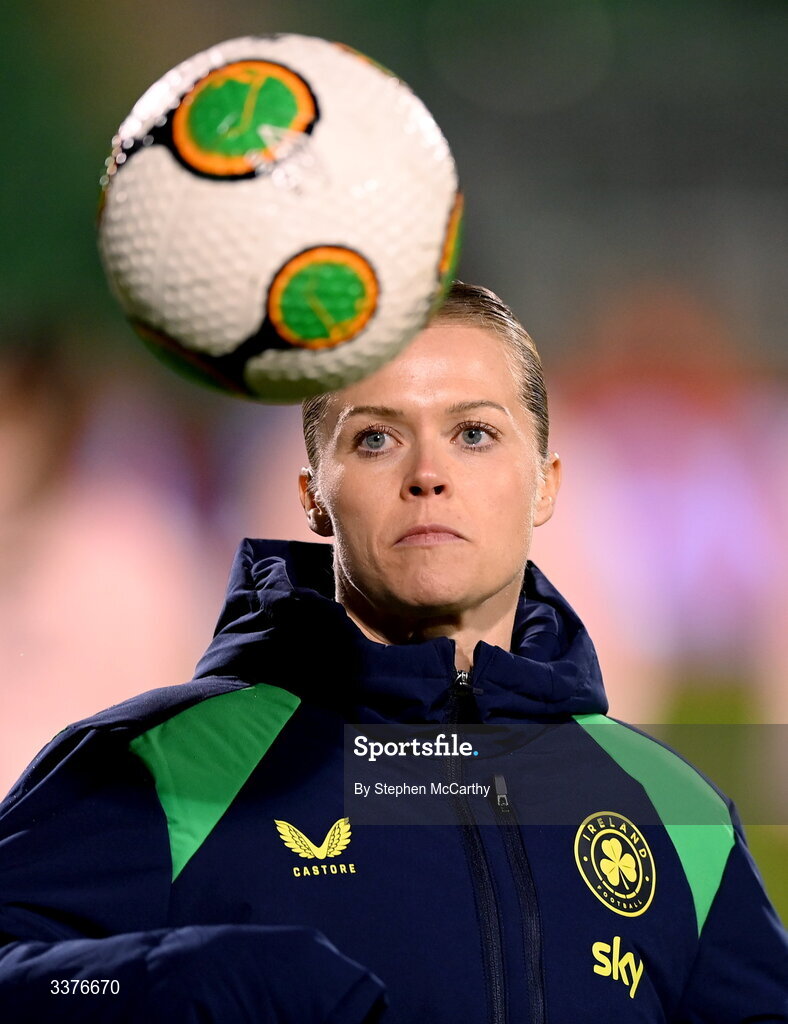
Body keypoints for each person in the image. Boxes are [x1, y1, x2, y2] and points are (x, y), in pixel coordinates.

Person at [0, 282, 785, 1022]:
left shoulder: (675, 811)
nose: (429, 475)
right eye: (376, 438)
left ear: (545, 483)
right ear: (310, 493)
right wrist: (185, 979)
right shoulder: (166, 769)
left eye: (473, 433)